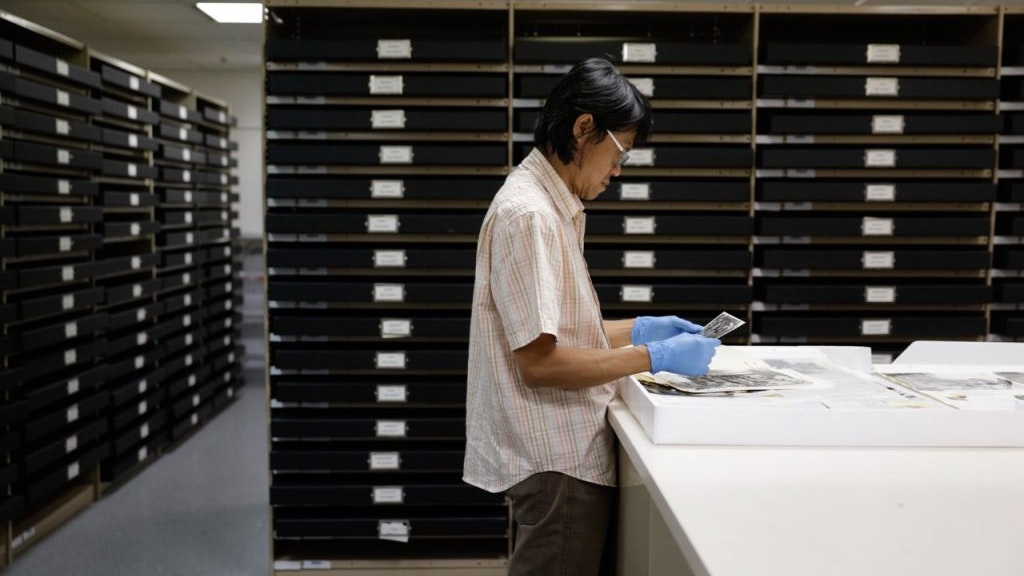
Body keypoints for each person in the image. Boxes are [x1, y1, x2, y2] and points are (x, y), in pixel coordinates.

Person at [463, 57, 721, 576]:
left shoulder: (549, 206)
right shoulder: (530, 215)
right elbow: (541, 363)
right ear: (584, 128)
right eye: (620, 152)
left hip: (560, 453)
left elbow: (554, 329)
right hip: (557, 457)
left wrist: (641, 328)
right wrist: (650, 355)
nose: (618, 171)